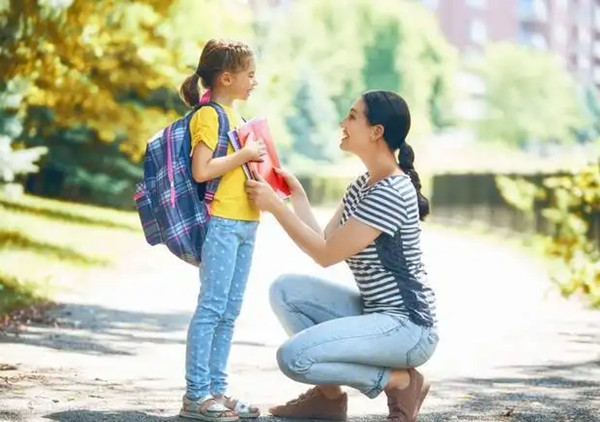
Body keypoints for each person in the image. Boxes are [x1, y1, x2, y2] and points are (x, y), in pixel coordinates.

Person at [246, 90, 439, 422]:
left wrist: (276, 208)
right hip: (376, 313)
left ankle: (400, 381)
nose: (342, 123)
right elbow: (324, 240)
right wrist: (297, 198)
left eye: (352, 116)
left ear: (376, 131)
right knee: (285, 291)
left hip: (408, 328)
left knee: (293, 358)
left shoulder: (392, 191)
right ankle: (329, 400)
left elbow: (325, 255)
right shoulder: (364, 184)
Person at [178, 38, 266, 421]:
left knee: (230, 311)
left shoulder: (241, 120)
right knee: (212, 307)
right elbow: (202, 170)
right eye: (250, 74)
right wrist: (245, 155)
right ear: (227, 78)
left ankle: (216, 390)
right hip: (222, 223)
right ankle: (196, 396)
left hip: (247, 221)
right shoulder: (209, 115)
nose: (255, 81)